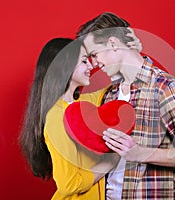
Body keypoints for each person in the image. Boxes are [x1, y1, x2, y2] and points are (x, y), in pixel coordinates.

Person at [77, 12, 175, 199]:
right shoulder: (109, 95)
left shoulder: (164, 87)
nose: (95, 64)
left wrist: (141, 153)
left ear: (113, 44)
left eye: (94, 54)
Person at [19, 34, 142, 199]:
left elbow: (122, 82)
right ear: (65, 66)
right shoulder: (56, 116)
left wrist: (131, 52)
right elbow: (67, 184)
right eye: (84, 61)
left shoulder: (84, 104)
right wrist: (109, 162)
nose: (91, 66)